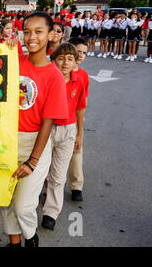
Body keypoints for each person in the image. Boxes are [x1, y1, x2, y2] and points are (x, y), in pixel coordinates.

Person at [2, 11, 68, 248]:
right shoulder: (14, 61)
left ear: (51, 35)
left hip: (35, 145)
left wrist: (32, 160)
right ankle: (14, 241)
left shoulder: (54, 76)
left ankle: (31, 238)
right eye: (26, 31)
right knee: (7, 199)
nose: (32, 37)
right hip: (6, 141)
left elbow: (47, 123)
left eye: (39, 32)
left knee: (24, 206)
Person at [41, 43, 87, 230]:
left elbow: (80, 107)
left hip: (68, 131)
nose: (65, 63)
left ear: (76, 62)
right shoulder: (47, 79)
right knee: (41, 170)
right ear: (53, 60)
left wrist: (79, 133)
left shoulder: (79, 81)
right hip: (46, 129)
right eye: (61, 58)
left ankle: (51, 212)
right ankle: (34, 197)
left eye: (70, 59)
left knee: (58, 175)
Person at [67, 37, 89, 202]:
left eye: (84, 53)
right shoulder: (59, 68)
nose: (81, 56)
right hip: (53, 122)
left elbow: (81, 106)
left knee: (76, 151)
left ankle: (76, 186)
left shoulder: (83, 75)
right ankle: (47, 185)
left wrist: (80, 132)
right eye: (78, 51)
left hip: (73, 121)